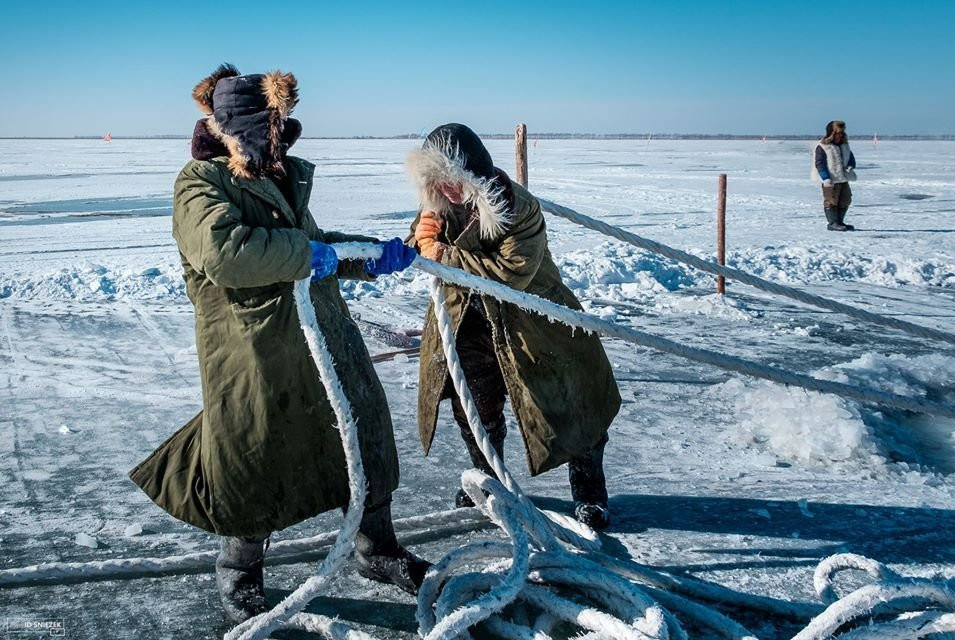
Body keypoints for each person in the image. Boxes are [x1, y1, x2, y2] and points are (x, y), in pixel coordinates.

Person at [128, 64, 427, 625]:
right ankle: (240, 573)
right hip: (251, 347)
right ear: (240, 128)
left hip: (322, 332)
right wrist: (307, 256)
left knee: (363, 428)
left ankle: (377, 551)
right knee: (252, 453)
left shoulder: (275, 173)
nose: (280, 136)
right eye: (271, 126)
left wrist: (367, 254)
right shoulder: (200, 184)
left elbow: (313, 243)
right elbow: (223, 253)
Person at [405, 123, 622, 530]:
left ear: (475, 172)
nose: (448, 189)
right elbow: (424, 249)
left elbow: (509, 274)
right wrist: (419, 239)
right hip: (464, 321)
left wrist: (441, 254)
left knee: (574, 403)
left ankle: (590, 491)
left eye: (455, 179)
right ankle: (489, 481)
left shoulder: (520, 208)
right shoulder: (437, 204)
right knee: (473, 406)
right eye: (438, 181)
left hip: (534, 322)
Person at [812, 120, 857, 231]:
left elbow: (851, 158)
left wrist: (851, 166)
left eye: (841, 133)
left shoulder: (844, 146)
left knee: (845, 200)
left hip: (843, 178)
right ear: (832, 133)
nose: (840, 135)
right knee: (831, 200)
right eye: (837, 133)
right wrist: (825, 178)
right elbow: (819, 163)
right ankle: (832, 223)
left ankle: (840, 222)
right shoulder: (823, 147)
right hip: (830, 180)